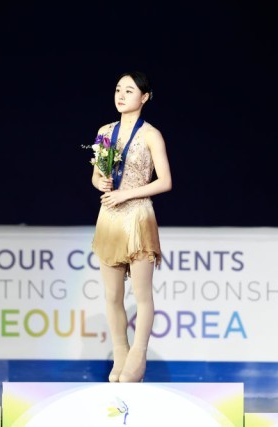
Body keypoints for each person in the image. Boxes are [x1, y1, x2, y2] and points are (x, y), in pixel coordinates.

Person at [90, 71, 172, 383]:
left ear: (144, 97)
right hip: (110, 217)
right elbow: (96, 176)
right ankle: (120, 353)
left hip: (138, 216)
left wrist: (126, 194)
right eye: (118, 90)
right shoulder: (104, 132)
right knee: (112, 295)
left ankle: (138, 355)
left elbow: (165, 182)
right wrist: (101, 183)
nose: (121, 96)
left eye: (129, 90)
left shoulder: (151, 134)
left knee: (141, 294)